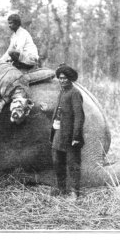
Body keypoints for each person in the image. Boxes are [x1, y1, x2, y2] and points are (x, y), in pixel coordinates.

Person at [40, 64, 85, 199]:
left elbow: (79, 116)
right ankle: (61, 189)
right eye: (60, 78)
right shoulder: (62, 91)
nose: (62, 80)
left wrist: (76, 136)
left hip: (70, 135)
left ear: (70, 79)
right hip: (58, 133)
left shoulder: (75, 93)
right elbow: (60, 111)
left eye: (65, 78)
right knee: (57, 162)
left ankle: (74, 193)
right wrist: (48, 109)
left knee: (73, 164)